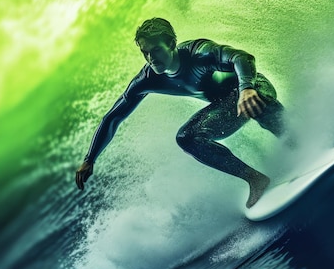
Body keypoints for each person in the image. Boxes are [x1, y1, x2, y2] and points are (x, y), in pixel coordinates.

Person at [75, 18, 286, 208]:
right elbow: (113, 117)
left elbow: (241, 58)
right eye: (145, 52)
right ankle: (255, 179)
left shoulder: (198, 52)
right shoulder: (147, 80)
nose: (150, 57)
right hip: (226, 106)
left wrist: (246, 88)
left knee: (258, 103)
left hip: (252, 87)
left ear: (171, 44)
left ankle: (297, 140)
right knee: (187, 138)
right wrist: (90, 158)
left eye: (156, 50)